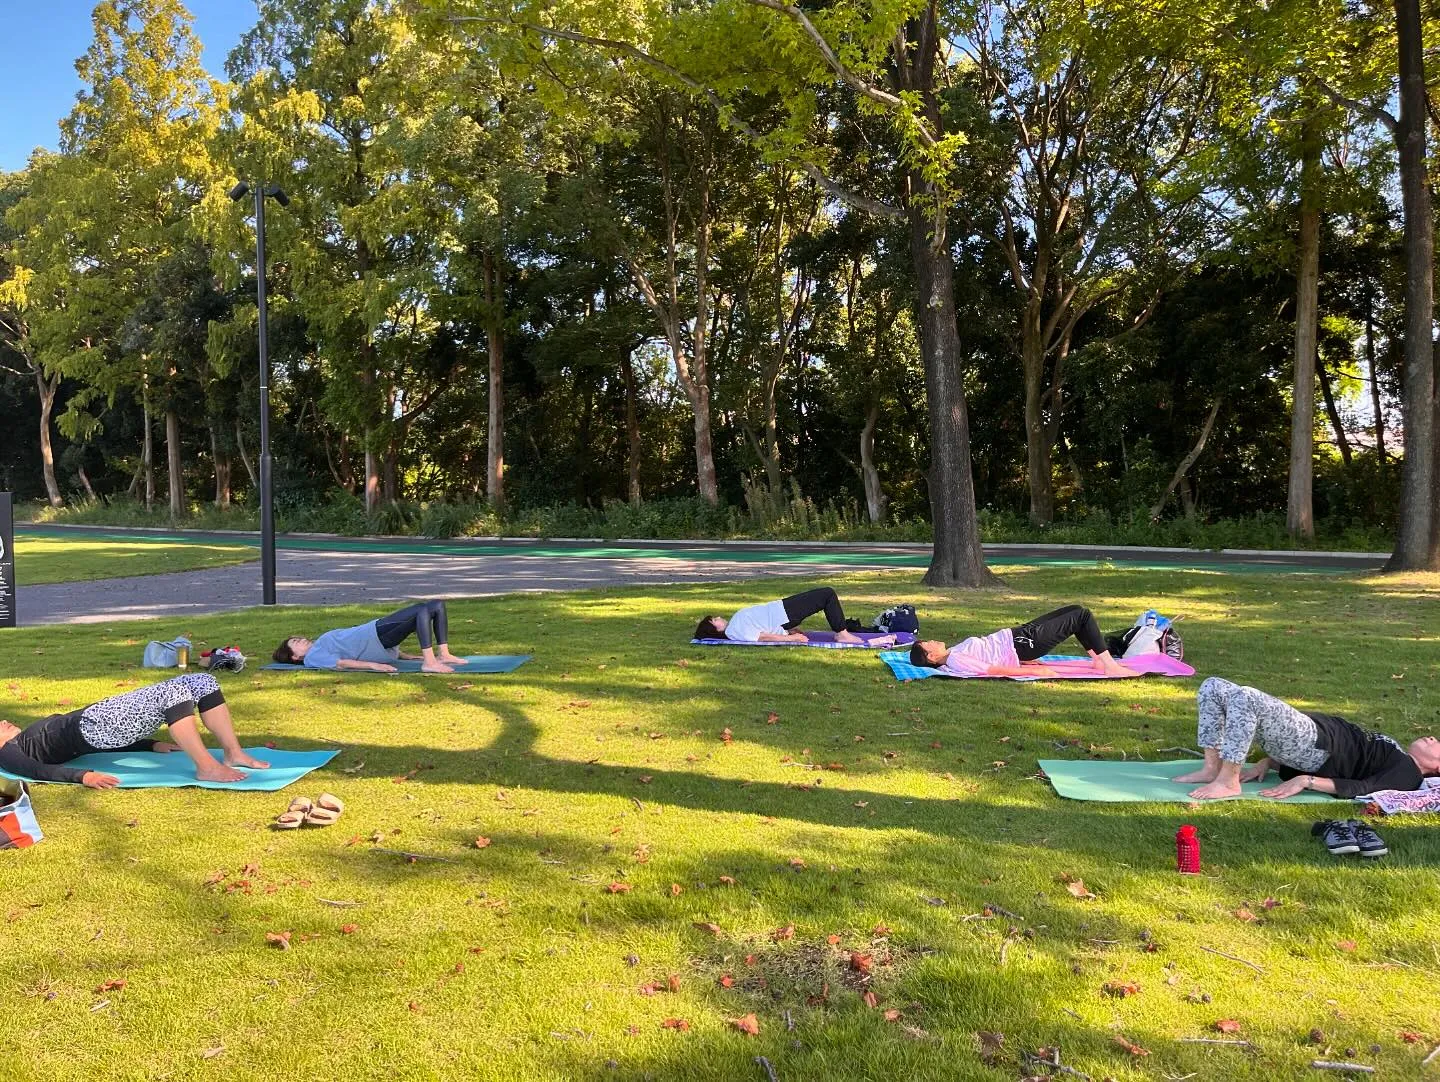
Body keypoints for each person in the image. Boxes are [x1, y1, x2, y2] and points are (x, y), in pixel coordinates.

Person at [1174, 676, 1440, 800]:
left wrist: (1307, 781)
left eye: (1438, 745)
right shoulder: (1398, 754)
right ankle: (1212, 768)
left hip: (1316, 743)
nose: (1432, 737)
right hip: (1308, 738)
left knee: (1247, 697)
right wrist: (1268, 763)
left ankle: (1229, 781)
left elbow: (1363, 788)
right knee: (1213, 686)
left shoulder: (1409, 774)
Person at [0, 673, 268, 788]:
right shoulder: (8, 751)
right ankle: (207, 767)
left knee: (202, 681)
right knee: (173, 692)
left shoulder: (21, 739)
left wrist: (149, 745)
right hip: (96, 724)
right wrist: (82, 776)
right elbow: (35, 772)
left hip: (102, 722)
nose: (3, 723)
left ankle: (233, 753)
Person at [908, 604, 1133, 678]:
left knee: (1076, 610)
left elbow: (989, 655)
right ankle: (1111, 666)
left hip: (1020, 636)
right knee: (1081, 617)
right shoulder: (956, 660)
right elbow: (992, 669)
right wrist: (1033, 672)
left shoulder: (952, 653)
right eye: (929, 643)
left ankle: (1098, 659)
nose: (935, 640)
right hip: (1024, 643)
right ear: (931, 656)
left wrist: (1025, 664)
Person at [274, 600, 465, 674]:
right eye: (295, 643)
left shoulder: (319, 645)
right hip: (374, 633)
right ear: (295, 657)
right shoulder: (313, 657)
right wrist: (374, 666)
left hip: (379, 639)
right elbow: (341, 663)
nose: (300, 639)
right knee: (421, 609)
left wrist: (407, 656)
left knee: (436, 605)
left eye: (297, 638)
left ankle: (444, 654)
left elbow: (351, 644)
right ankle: (430, 662)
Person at [694, 587, 893, 646]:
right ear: (715, 628)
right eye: (715, 619)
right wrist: (792, 638)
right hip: (784, 612)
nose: (719, 617)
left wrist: (788, 630)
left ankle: (842, 630)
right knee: (827, 594)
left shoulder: (734, 628)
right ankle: (842, 633)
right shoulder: (734, 630)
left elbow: (762, 627)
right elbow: (762, 637)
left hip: (782, 611)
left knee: (825, 595)